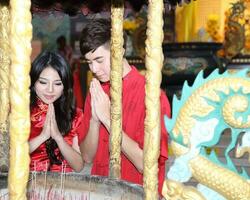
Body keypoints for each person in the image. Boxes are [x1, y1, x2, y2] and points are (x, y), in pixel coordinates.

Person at [78, 18, 170, 194]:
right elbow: (87, 157)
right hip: (100, 192)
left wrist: (108, 119)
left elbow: (146, 164)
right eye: (89, 62)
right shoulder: (97, 91)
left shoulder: (151, 95)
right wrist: (96, 122)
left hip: (138, 194)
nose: (94, 69)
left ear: (118, 51)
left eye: (99, 59)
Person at [29, 51, 84, 172]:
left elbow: (79, 166)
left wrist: (58, 138)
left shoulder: (75, 115)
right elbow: (10, 156)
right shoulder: (21, 112)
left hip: (63, 187)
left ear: (65, 85)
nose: (50, 90)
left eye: (58, 83)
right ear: (33, 82)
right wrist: (43, 136)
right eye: (43, 82)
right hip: (27, 186)